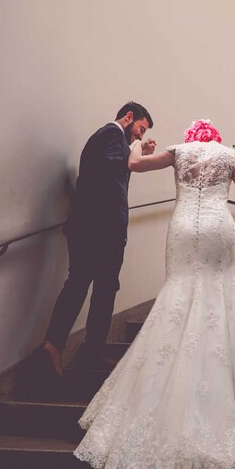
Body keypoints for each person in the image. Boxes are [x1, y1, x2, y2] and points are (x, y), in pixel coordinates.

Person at [73, 120, 235, 469]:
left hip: (183, 229)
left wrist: (138, 144)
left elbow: (133, 166)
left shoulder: (177, 152)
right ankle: (219, 378)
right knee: (217, 295)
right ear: (217, 140)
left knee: (179, 292)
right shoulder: (231, 155)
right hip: (217, 229)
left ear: (194, 138)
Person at [40, 102, 156, 375]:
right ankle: (74, 351)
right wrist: (135, 151)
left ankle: (63, 348)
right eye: (140, 128)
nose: (140, 135)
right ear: (128, 117)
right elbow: (111, 165)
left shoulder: (113, 141)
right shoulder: (111, 134)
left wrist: (135, 152)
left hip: (92, 227)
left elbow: (109, 172)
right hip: (101, 230)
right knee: (101, 290)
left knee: (84, 285)